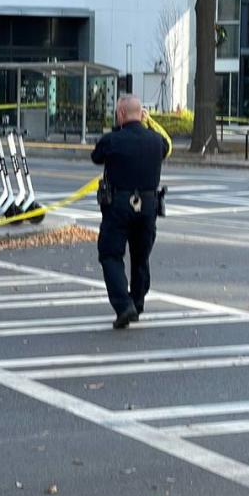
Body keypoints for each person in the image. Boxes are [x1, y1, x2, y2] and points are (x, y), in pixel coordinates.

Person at [91, 95, 172, 329]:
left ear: (121, 114)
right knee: (140, 256)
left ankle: (123, 305)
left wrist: (118, 129)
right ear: (142, 114)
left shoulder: (113, 140)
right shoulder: (157, 141)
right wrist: (149, 122)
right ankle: (137, 302)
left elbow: (96, 157)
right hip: (148, 205)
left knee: (110, 254)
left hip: (118, 204)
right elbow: (167, 144)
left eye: (118, 112)